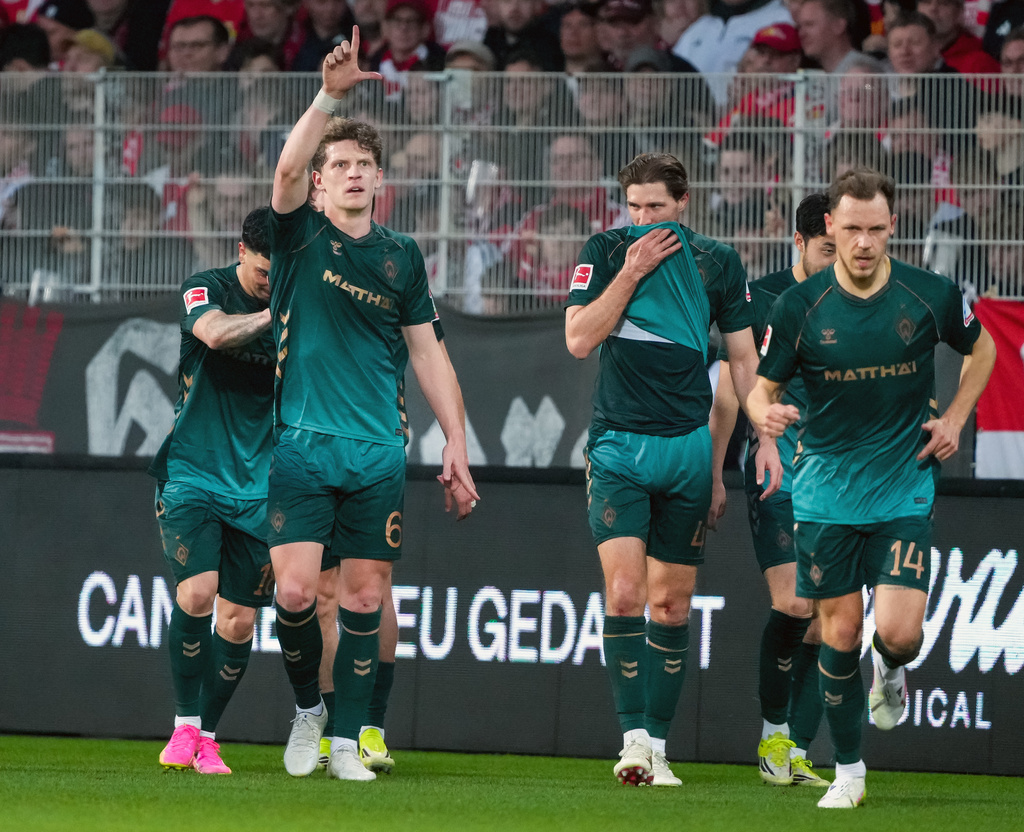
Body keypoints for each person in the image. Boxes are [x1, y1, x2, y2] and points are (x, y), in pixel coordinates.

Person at [746, 167, 997, 808]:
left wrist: (958, 417)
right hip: (825, 489)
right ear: (829, 227)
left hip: (902, 485)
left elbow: (985, 349)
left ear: (893, 228)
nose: (862, 242)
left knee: (900, 633)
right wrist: (762, 415)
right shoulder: (797, 309)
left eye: (875, 230)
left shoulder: (929, 294)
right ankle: (849, 773)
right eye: (851, 229)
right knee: (835, 632)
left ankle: (891, 666)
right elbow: (760, 388)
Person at [267, 29, 479, 783]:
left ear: (379, 181)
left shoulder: (400, 256)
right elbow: (287, 164)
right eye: (341, 166)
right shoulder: (295, 238)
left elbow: (427, 350)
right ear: (320, 185)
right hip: (300, 440)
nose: (353, 174)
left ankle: (353, 739)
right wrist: (331, 97)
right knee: (294, 592)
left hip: (377, 450)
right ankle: (307, 712)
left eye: (364, 166)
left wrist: (455, 442)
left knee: (364, 597)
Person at [564, 152, 780, 787]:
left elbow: (744, 363)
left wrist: (761, 440)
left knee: (672, 606)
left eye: (655, 207)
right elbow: (578, 339)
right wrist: (629, 274)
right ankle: (632, 741)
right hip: (618, 448)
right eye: (633, 207)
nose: (642, 219)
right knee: (626, 593)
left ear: (683, 204)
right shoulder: (606, 251)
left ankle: (657, 746)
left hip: (688, 450)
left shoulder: (717, 262)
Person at [708, 192, 836, 789]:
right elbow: (733, 392)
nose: (842, 260)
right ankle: (772, 739)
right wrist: (714, 472)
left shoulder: (859, 302)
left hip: (841, 478)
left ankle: (794, 746)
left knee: (825, 620)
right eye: (828, 249)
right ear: (800, 244)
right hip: (776, 469)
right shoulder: (759, 300)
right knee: (794, 604)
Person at [149, 206, 277, 775]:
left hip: (261, 486)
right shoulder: (206, 287)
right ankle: (181, 730)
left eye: (281, 272)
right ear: (243, 250)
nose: (270, 281)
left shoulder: (304, 300)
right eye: (262, 272)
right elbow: (214, 332)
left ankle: (206, 736)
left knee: (239, 622)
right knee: (198, 594)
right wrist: (276, 314)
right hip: (193, 471)